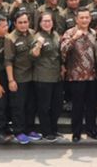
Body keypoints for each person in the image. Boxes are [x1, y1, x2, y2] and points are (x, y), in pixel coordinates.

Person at [60, 7, 97, 143]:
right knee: (77, 106)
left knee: (91, 105)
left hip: (92, 76)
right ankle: (76, 132)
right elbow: (62, 51)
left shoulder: (93, 33)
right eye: (81, 18)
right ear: (76, 19)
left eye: (86, 17)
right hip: (76, 76)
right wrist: (73, 39)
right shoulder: (69, 32)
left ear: (90, 18)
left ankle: (91, 129)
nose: (84, 20)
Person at [5, 11, 41, 144]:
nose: (23, 25)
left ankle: (29, 129)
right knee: (18, 106)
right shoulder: (10, 38)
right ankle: (19, 131)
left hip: (34, 75)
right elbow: (8, 60)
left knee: (31, 105)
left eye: (25, 22)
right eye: (20, 22)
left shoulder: (33, 34)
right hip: (19, 77)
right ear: (14, 24)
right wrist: (11, 80)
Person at [31, 12, 62, 142]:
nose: (47, 23)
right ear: (39, 23)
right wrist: (38, 45)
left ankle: (54, 129)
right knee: (44, 106)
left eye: (49, 21)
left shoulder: (55, 35)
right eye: (44, 21)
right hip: (43, 77)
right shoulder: (37, 36)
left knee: (57, 105)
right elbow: (34, 55)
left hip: (57, 76)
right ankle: (46, 131)